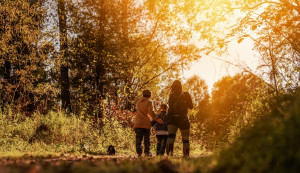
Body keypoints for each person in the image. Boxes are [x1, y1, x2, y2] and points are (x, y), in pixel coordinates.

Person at [166, 80, 193, 157]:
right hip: (183, 119)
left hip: (172, 119)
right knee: (185, 138)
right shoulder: (186, 94)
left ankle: (169, 155)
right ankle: (186, 155)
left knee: (170, 137)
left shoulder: (171, 96)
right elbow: (191, 106)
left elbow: (170, 109)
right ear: (181, 86)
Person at [134, 89, 164, 157]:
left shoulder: (138, 102)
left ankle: (139, 153)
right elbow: (150, 112)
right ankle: (147, 153)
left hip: (138, 123)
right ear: (149, 95)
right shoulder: (149, 102)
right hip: (145, 124)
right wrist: (157, 119)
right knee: (147, 139)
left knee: (139, 139)